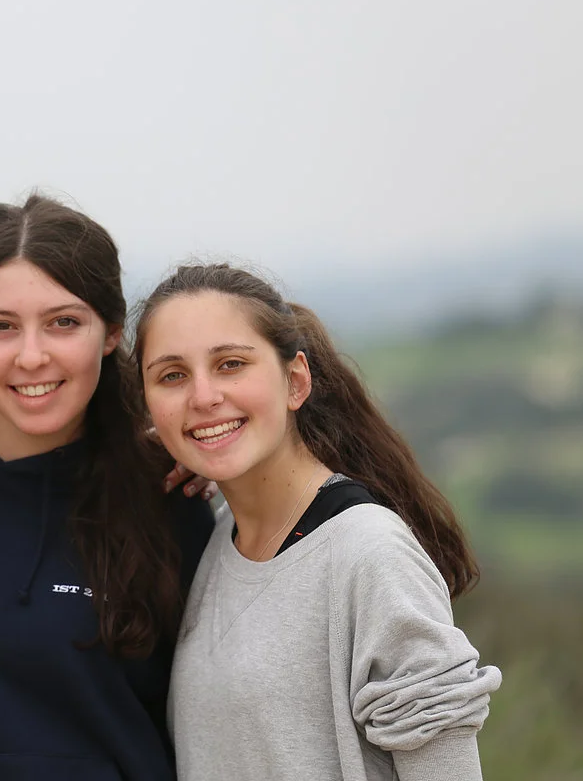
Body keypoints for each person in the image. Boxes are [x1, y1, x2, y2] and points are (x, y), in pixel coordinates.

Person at [0, 196, 216, 781]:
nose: (31, 356)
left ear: (111, 332)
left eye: (63, 323)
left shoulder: (169, 497)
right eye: (1, 327)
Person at [134, 263, 503, 781]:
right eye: (172, 375)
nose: (203, 396)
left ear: (295, 381)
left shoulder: (369, 553)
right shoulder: (219, 539)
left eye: (231, 364)